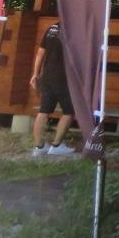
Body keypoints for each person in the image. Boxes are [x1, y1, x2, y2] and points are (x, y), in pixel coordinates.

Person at [29, 23, 75, 156]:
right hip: (65, 78)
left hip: (47, 76)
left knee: (43, 111)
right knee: (69, 112)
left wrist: (35, 74)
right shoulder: (75, 28)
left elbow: (40, 53)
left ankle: (38, 148)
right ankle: (56, 146)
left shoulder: (51, 28)